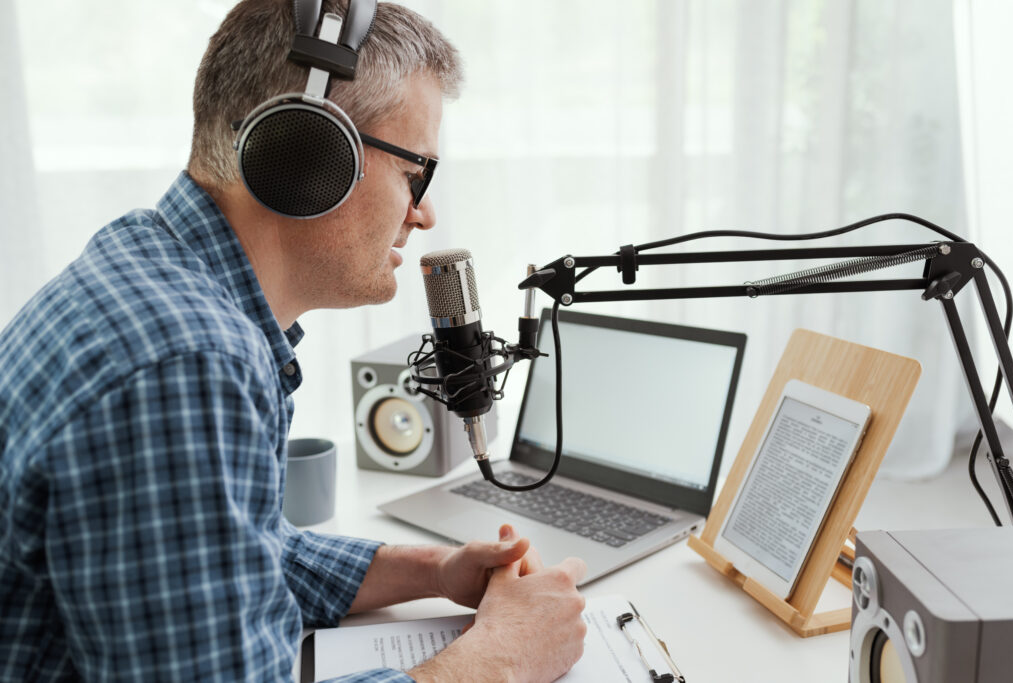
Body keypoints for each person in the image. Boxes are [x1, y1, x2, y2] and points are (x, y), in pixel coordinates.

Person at [0, 1, 587, 681]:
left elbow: (237, 553)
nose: (423, 213)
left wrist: (435, 569)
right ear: (309, 154)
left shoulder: (153, 272)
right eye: (415, 171)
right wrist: (502, 657)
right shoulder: (185, 363)